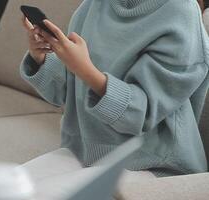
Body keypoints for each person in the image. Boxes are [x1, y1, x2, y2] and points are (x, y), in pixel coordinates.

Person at [19, 0, 209, 192]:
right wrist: (41, 56)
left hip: (153, 163)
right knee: (2, 189)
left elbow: (142, 114)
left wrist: (85, 70)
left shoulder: (179, 11)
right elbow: (65, 93)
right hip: (85, 152)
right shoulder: (94, 5)